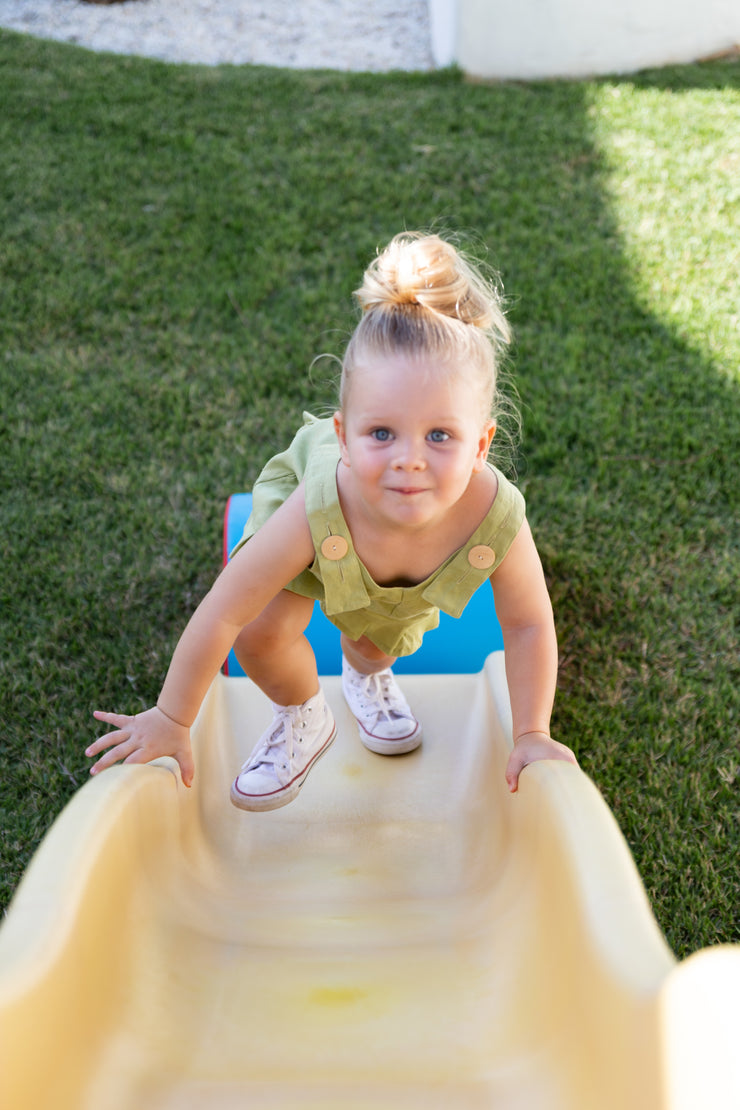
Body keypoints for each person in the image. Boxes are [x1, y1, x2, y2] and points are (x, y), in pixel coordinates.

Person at [86, 231, 577, 810]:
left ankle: (364, 676)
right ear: (343, 435)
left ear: (481, 445)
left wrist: (531, 734)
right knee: (261, 632)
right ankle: (303, 712)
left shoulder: (495, 518)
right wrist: (172, 717)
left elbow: (525, 624)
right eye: (382, 433)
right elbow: (225, 609)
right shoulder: (319, 501)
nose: (408, 459)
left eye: (440, 435)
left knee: (372, 643)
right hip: (326, 538)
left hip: (385, 583)